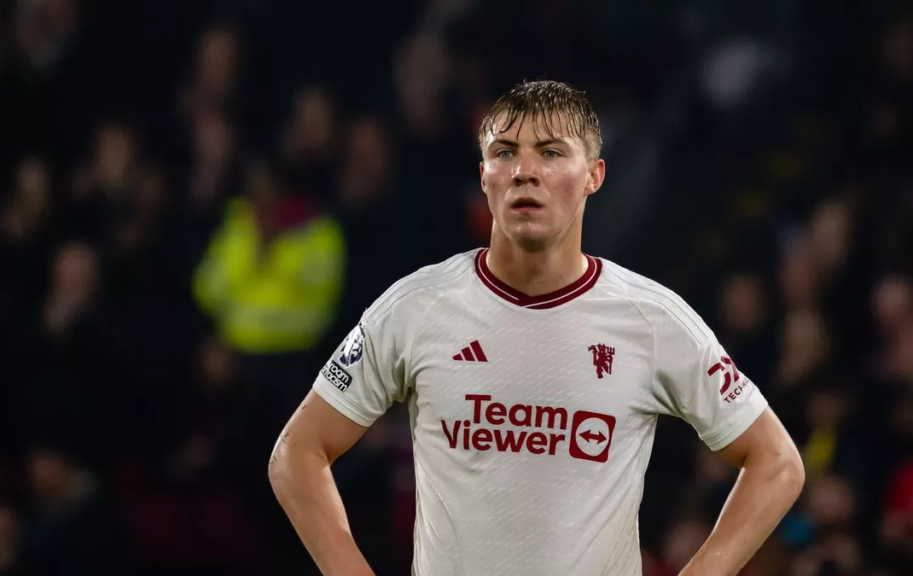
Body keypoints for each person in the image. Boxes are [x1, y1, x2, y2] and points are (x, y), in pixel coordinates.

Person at [268, 80, 805, 576]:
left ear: (594, 175)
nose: (525, 170)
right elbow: (297, 452)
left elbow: (777, 462)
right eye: (505, 152)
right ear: (484, 176)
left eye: (551, 153)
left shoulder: (652, 319)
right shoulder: (415, 307)